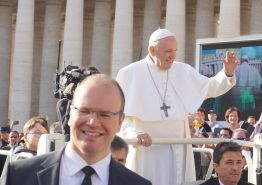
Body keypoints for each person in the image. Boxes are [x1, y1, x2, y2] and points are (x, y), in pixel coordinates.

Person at [116, 28, 238, 185]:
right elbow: (117, 115)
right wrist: (135, 133)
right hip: (146, 150)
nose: (172, 56)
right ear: (152, 50)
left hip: (178, 148)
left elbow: (210, 87)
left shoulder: (183, 71)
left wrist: (227, 73)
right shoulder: (129, 73)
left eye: (174, 51)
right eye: (168, 51)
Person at [0, 74, 151, 185]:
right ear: (70, 114)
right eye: (84, 111)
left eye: (105, 114)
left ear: (120, 121)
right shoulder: (18, 176)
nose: (92, 122)